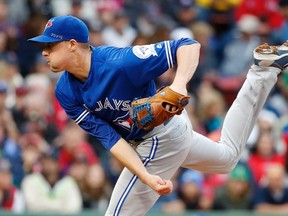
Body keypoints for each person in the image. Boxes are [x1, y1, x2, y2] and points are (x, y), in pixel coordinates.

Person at [28, 15, 286, 216]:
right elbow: (112, 141)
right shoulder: (65, 91)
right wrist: (146, 175)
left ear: (72, 45)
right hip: (152, 140)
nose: (44, 52)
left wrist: (179, 85)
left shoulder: (120, 62)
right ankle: (263, 72)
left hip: (162, 137)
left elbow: (187, 45)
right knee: (227, 158)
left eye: (50, 45)